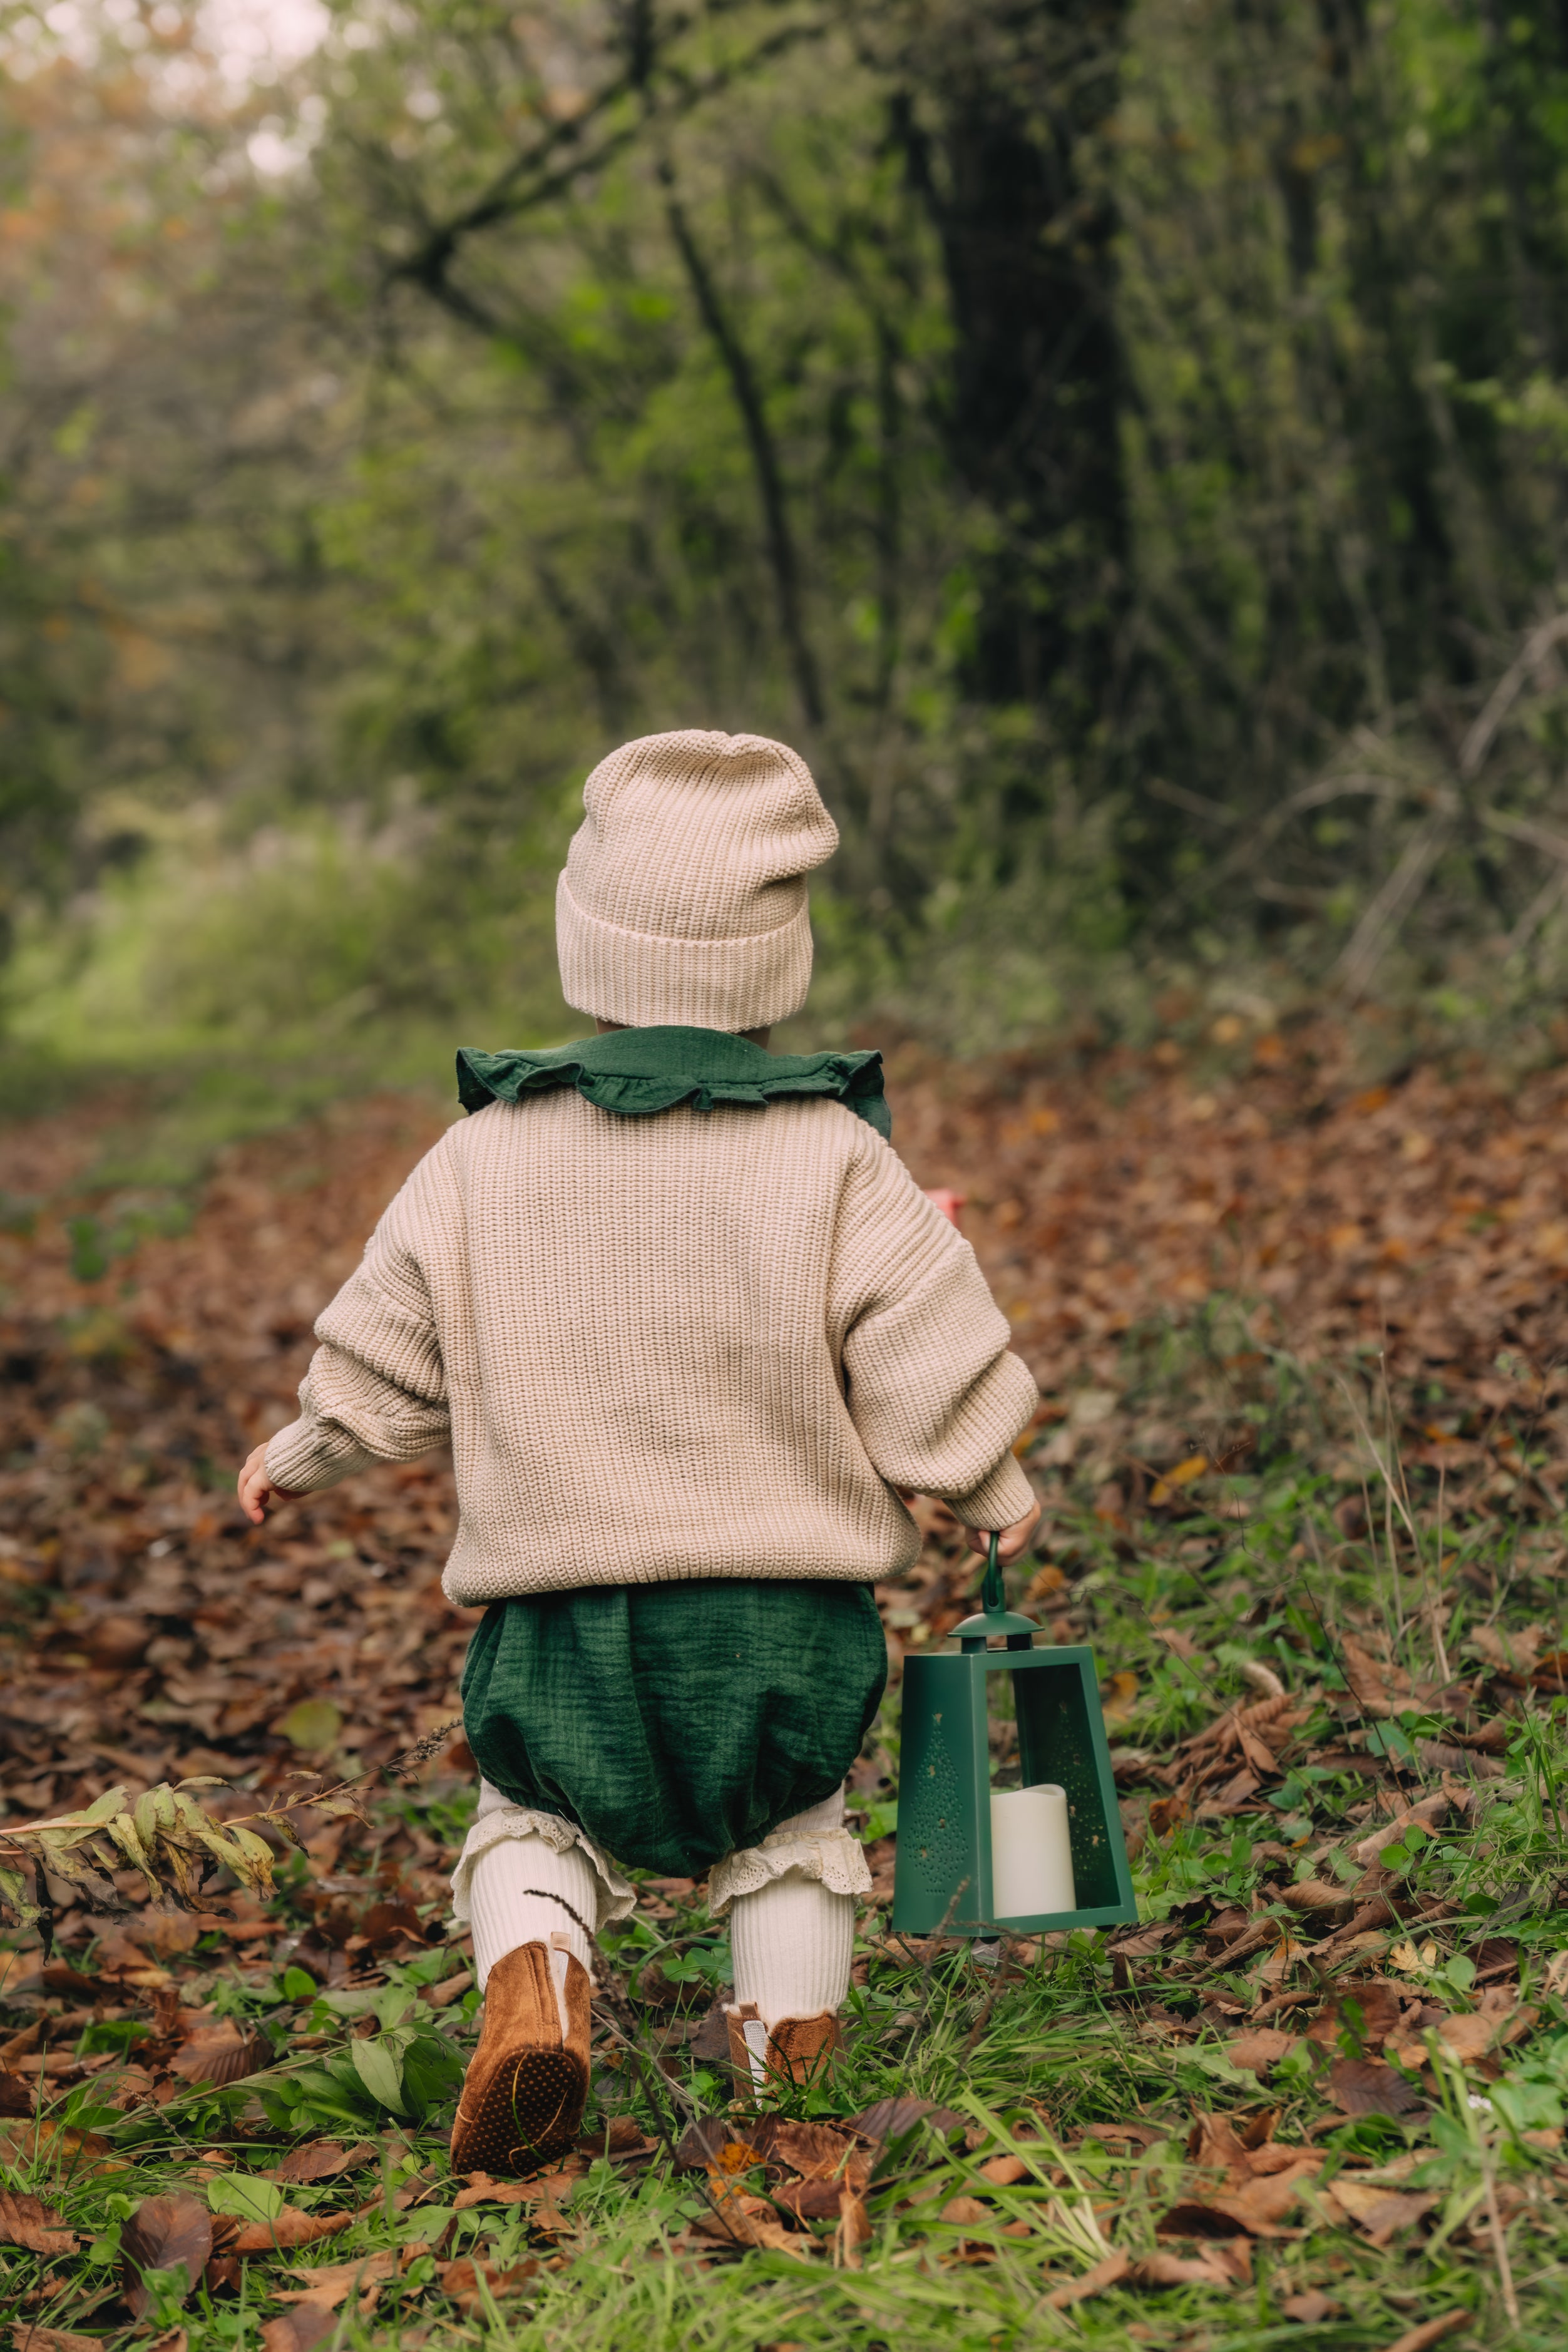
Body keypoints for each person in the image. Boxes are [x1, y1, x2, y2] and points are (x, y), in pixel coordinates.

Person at [238, 729, 1040, 2174]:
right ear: (773, 961)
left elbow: (392, 1347)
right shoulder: (836, 1158)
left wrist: (311, 1445)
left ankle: (539, 1994)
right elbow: (922, 1347)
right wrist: (988, 1478)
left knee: (533, 1816)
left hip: (561, 1627)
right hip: (779, 1629)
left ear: (583, 941)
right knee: (789, 1831)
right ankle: (780, 2085)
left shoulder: (480, 1155)